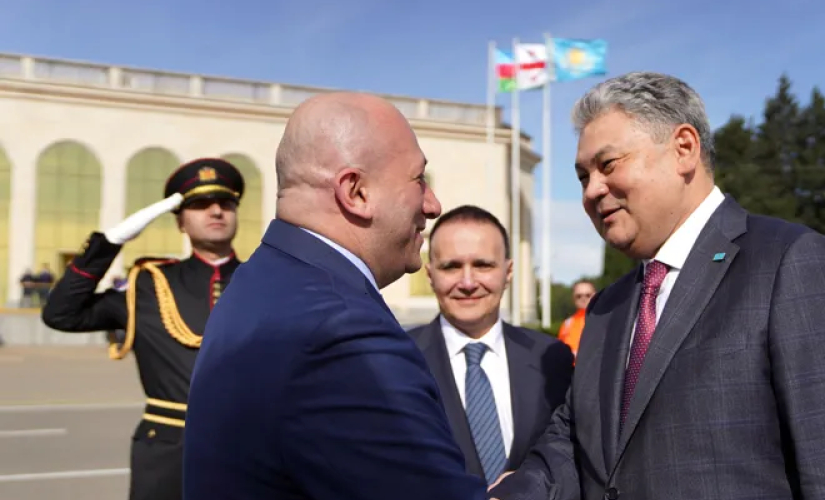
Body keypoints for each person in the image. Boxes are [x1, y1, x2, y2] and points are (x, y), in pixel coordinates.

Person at [489, 72, 825, 500]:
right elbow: (575, 437)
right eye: (583, 177)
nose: (592, 191)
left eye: (608, 165)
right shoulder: (606, 308)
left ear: (684, 148)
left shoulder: (795, 266)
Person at [183, 92, 487, 500]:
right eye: (419, 180)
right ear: (356, 192)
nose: (433, 205)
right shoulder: (342, 330)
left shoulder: (259, 280)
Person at [40, 157, 246, 500]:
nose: (216, 211)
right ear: (180, 221)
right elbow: (61, 314)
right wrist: (109, 242)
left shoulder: (263, 280)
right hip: (167, 451)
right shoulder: (150, 285)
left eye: (226, 203)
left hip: (250, 446)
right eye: (200, 205)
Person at [408, 204, 574, 483]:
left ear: (508, 272)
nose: (467, 282)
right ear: (430, 275)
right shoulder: (399, 358)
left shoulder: (552, 357)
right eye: (451, 266)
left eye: (482, 265)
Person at [557, 279, 596, 357]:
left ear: (595, 296)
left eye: (588, 295)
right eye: (579, 296)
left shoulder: (603, 321)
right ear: (573, 298)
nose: (583, 299)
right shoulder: (567, 324)